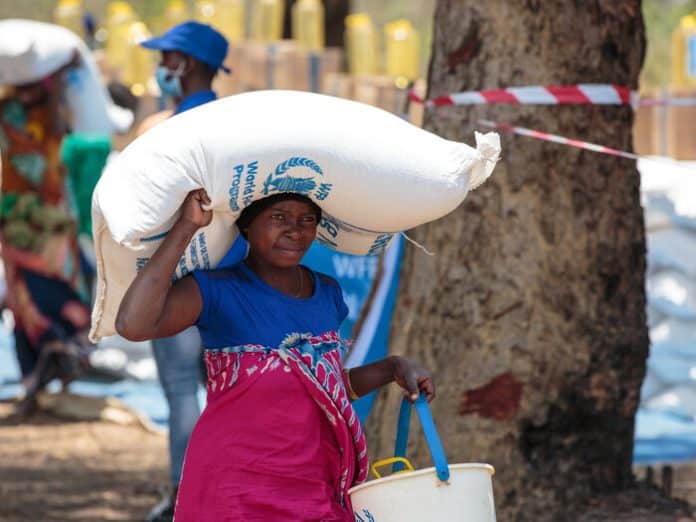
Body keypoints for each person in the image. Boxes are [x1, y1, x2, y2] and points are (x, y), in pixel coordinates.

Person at [116, 190, 435, 520]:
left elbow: (322, 388)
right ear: (246, 226)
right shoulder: (216, 290)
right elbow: (133, 324)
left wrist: (392, 367)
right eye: (278, 218)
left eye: (306, 220)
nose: (295, 231)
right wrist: (186, 227)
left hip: (314, 485)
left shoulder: (327, 293)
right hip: (235, 490)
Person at [136, 21, 247, 522]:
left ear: (187, 64)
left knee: (182, 388)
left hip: (179, 280)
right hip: (234, 280)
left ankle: (183, 497)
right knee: (233, 392)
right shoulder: (233, 124)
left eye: (167, 59)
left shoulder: (171, 130)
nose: (161, 69)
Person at [0, 54, 93, 416]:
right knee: (25, 303)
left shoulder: (54, 115)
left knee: (60, 294)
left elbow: (59, 134)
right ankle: (34, 378)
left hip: (54, 227)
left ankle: (60, 364)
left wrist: (61, 73)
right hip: (19, 223)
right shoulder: (6, 111)